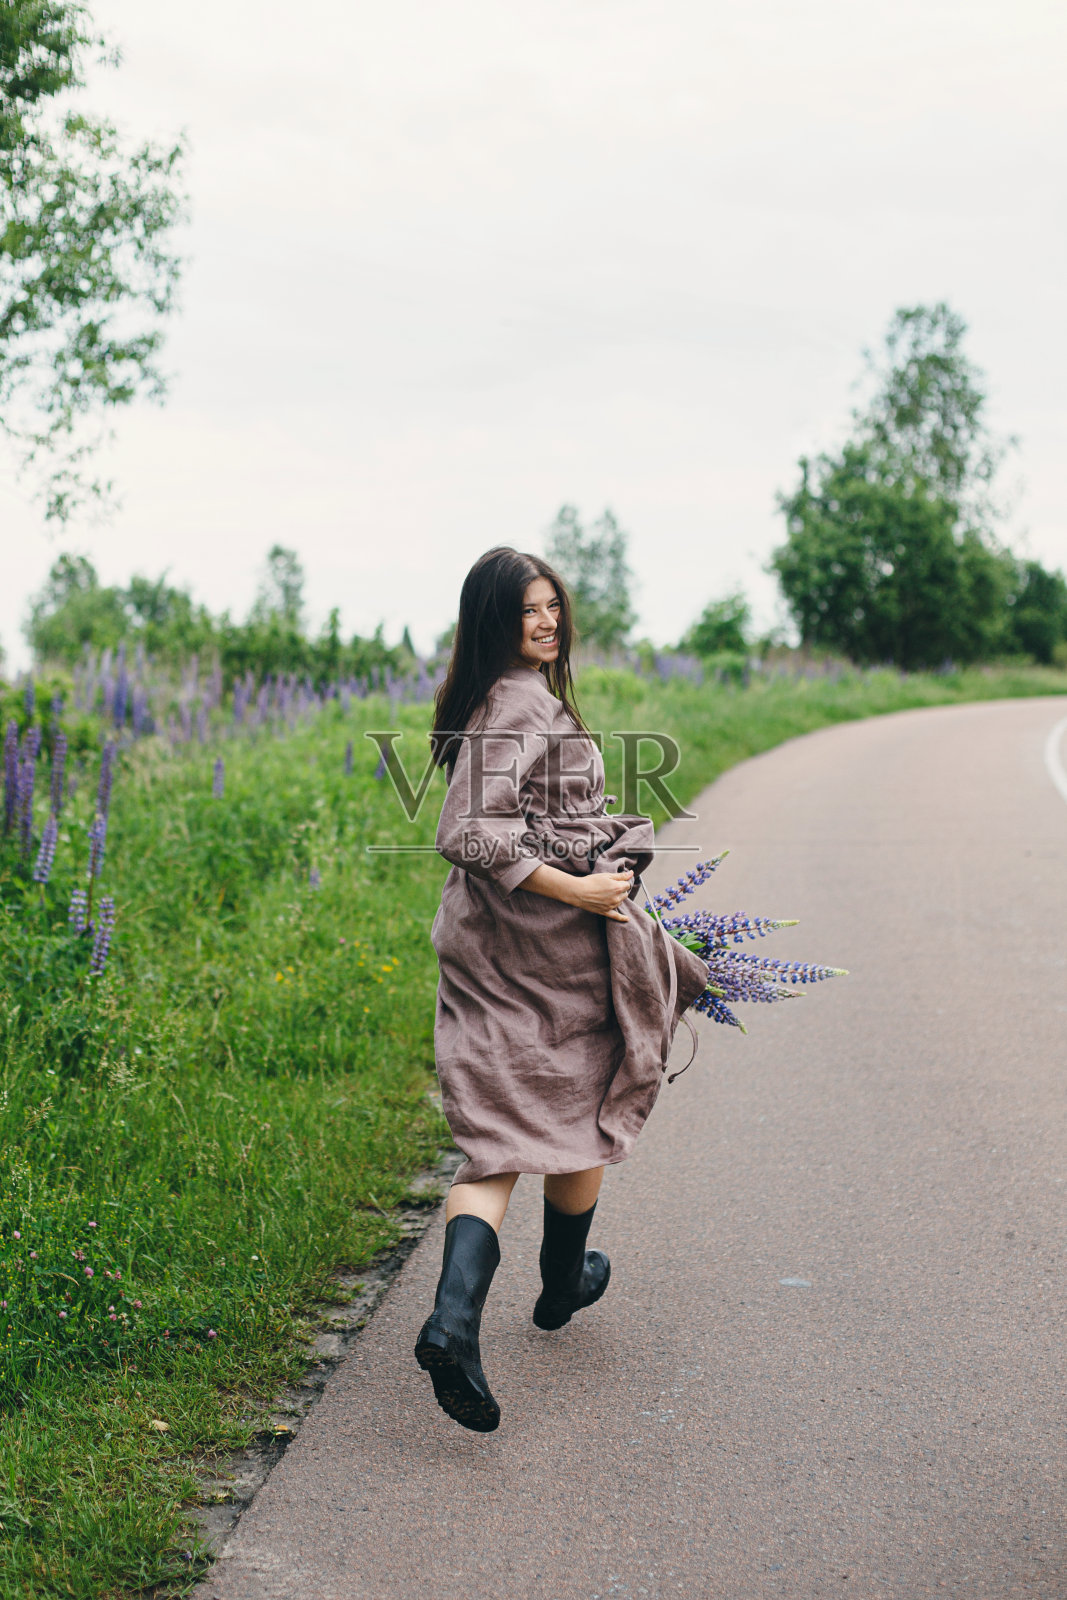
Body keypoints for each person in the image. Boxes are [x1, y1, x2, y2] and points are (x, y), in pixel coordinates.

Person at [414, 546, 707, 1431]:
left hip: (493, 945)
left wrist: (591, 843)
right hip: (543, 951)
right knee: (578, 1101)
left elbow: (516, 820)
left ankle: (460, 1319)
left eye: (551, 606)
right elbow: (466, 831)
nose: (545, 622)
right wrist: (578, 890)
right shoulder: (518, 703)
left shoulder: (496, 697)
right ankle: (559, 1278)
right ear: (493, 622)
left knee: (500, 1137)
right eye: (526, 611)